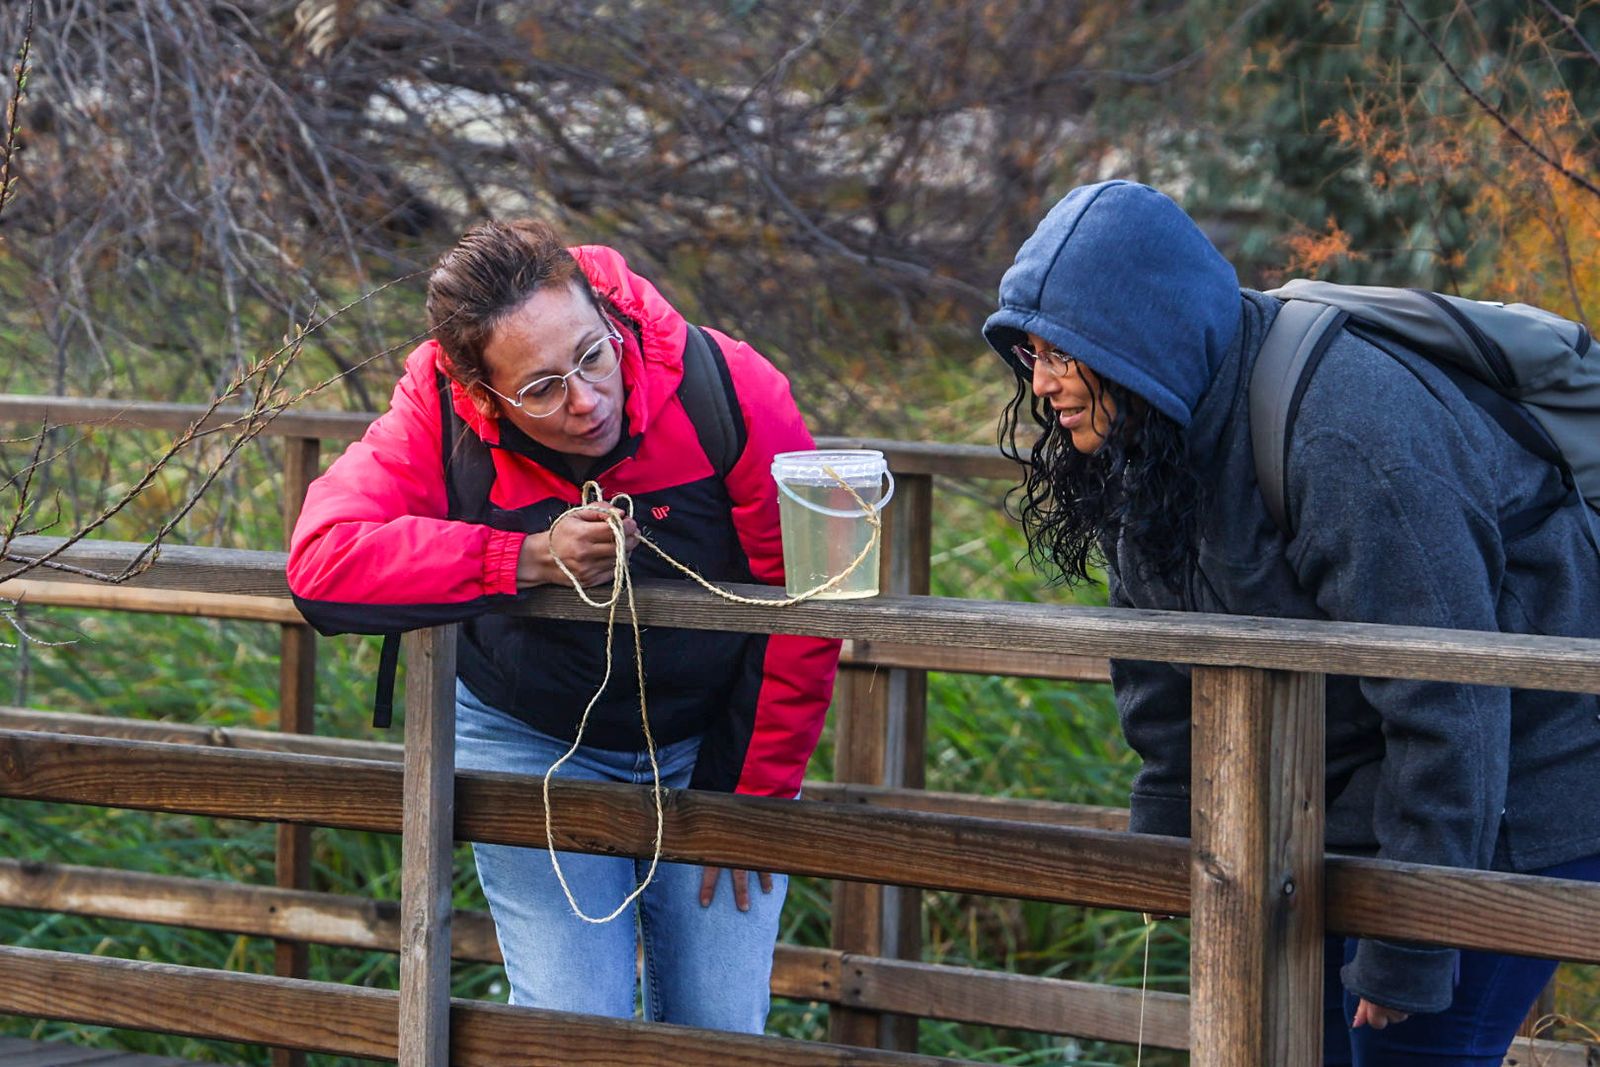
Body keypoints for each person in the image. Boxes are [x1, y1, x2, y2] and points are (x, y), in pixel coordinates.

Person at [982, 180, 1600, 1065]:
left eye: (1064, 356)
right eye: (1032, 355)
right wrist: (1172, 858)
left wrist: (1409, 945)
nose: (1043, 386)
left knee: (1410, 1051)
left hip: (1523, 799)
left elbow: (1448, 697)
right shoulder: (1150, 437)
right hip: (1345, 806)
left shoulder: (1347, 435)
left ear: (1143, 338)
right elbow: (1160, 671)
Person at [286, 219, 841, 1032]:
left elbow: (808, 601)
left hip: (712, 740)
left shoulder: (731, 389)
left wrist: (748, 798)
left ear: (607, 318)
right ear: (482, 393)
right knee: (572, 1023)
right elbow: (324, 560)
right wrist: (524, 559)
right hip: (530, 737)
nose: (586, 401)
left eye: (592, 355)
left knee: (718, 1027)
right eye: (542, 388)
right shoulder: (439, 409)